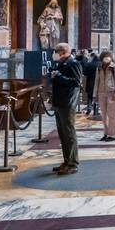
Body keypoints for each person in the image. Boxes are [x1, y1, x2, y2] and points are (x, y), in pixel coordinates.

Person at [48, 42, 83, 174]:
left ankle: (73, 163)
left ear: (62, 52)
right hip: (59, 102)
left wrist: (59, 76)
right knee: (62, 134)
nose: (54, 54)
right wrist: (54, 75)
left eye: (56, 51)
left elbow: (76, 82)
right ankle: (66, 160)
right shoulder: (62, 63)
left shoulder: (73, 63)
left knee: (69, 133)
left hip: (67, 103)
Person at [94, 50, 115, 141]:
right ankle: (105, 133)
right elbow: (97, 81)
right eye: (105, 56)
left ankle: (112, 135)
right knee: (103, 115)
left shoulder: (114, 67)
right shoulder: (99, 67)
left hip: (111, 93)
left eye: (108, 56)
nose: (106, 58)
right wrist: (95, 94)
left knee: (111, 115)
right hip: (101, 93)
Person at [82, 49, 99, 118]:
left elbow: (84, 72)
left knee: (90, 96)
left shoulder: (89, 64)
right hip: (98, 82)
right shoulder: (100, 64)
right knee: (96, 97)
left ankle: (89, 108)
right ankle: (95, 110)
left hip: (90, 81)